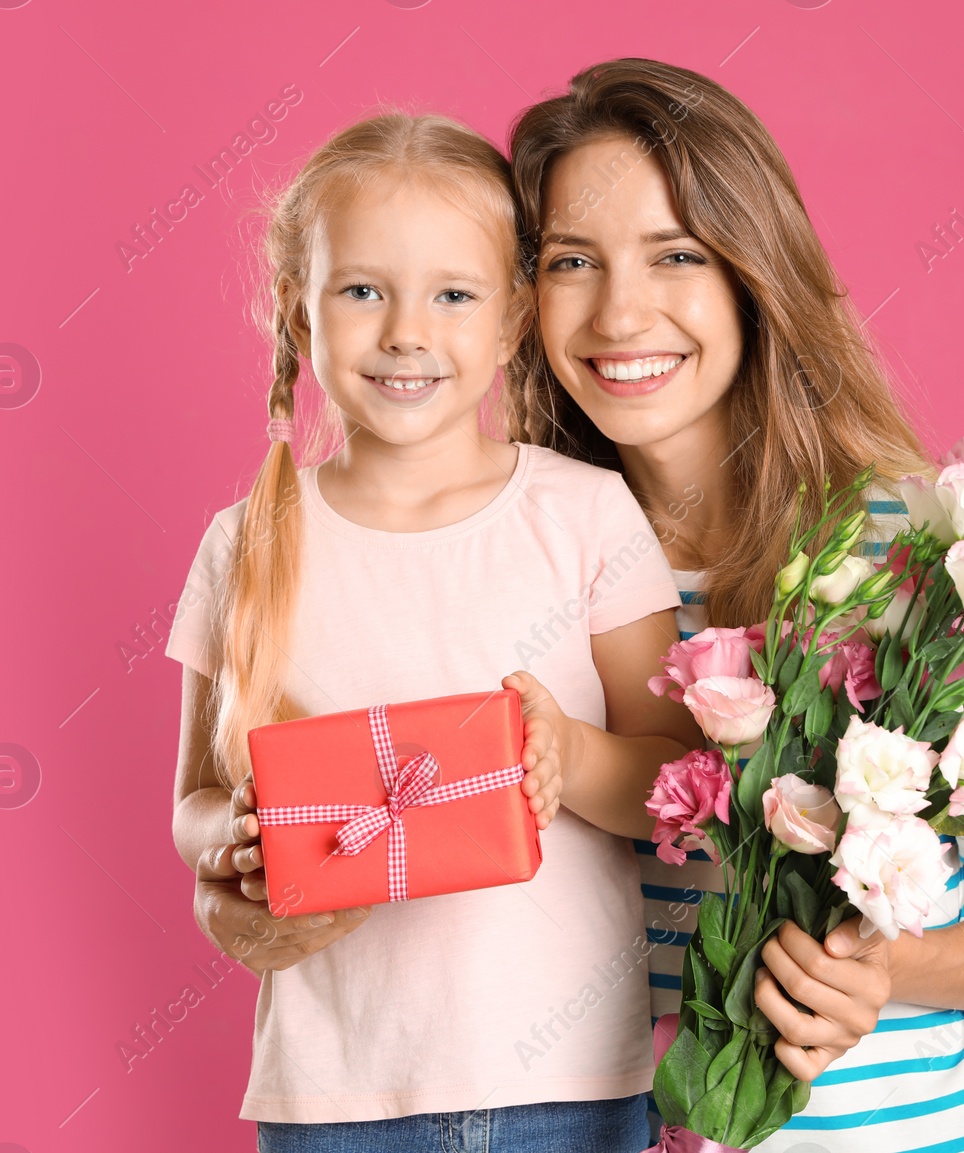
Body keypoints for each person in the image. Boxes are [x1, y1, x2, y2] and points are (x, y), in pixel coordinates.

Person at [505, 59, 964, 1152]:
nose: (618, 311)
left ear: (752, 273)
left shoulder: (916, 559)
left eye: (674, 254)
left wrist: (888, 965)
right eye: (569, 262)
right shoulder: (521, 565)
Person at [164, 111, 701, 1152]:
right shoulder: (246, 542)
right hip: (332, 1094)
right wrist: (226, 840)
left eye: (452, 296)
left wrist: (568, 758)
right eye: (363, 290)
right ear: (296, 311)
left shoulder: (583, 515)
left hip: (567, 1077)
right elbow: (191, 801)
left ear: (508, 321)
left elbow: (671, 786)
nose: (407, 331)